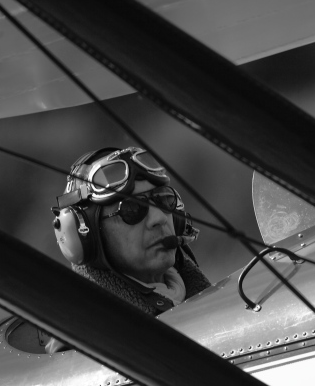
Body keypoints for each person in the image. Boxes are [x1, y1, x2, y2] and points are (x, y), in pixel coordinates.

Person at [47, 147, 211, 352]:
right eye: (131, 209)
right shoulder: (83, 345)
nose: (159, 218)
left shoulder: (218, 299)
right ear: (87, 236)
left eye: (164, 201)